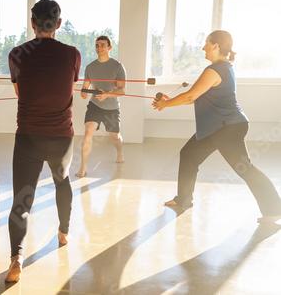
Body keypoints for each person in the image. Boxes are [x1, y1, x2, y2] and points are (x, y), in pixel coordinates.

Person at [153, 30, 281, 223]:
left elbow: (190, 96)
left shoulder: (215, 70)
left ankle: (274, 209)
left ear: (216, 46)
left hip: (227, 128)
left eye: (206, 43)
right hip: (216, 128)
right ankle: (184, 200)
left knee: (244, 168)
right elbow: (194, 97)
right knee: (188, 155)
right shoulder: (222, 67)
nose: (203, 47)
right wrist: (169, 102)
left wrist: (165, 104)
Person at [5, 0, 81, 282]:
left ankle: (16, 260)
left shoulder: (16, 54)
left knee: (22, 200)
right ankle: (63, 232)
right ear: (58, 23)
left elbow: (19, 93)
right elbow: (67, 87)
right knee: (62, 181)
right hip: (61, 137)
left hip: (28, 138)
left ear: (32, 23)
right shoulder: (73, 54)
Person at [76, 36, 126, 178]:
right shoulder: (90, 67)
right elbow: (85, 87)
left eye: (103, 45)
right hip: (95, 106)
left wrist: (108, 94)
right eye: (97, 45)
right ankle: (83, 168)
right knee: (88, 132)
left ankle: (120, 152)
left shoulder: (117, 66)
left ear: (109, 48)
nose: (99, 48)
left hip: (111, 107)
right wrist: (84, 92)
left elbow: (122, 91)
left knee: (114, 137)